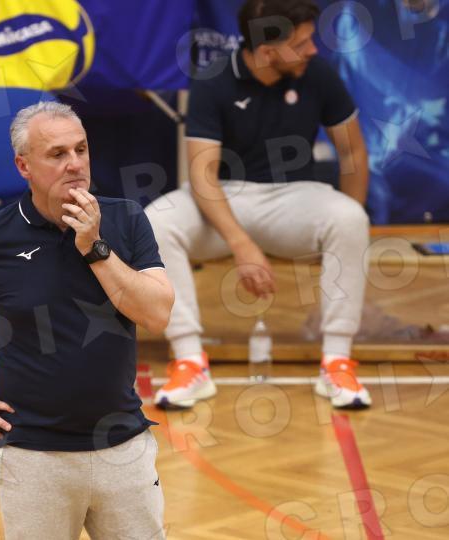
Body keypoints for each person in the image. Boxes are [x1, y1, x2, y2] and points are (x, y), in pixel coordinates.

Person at [0, 101, 174, 540]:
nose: (75, 164)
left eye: (81, 149)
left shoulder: (126, 218)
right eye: (57, 154)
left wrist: (94, 247)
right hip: (34, 458)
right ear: (24, 166)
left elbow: (157, 314)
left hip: (123, 449)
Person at [146, 0, 372, 410]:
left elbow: (352, 151)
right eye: (301, 44)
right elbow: (202, 176)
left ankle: (337, 361)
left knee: (351, 219)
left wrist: (346, 230)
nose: (313, 49)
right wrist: (242, 244)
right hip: (223, 198)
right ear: (268, 52)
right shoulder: (214, 80)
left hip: (295, 198)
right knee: (156, 222)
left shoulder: (318, 74)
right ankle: (190, 360)